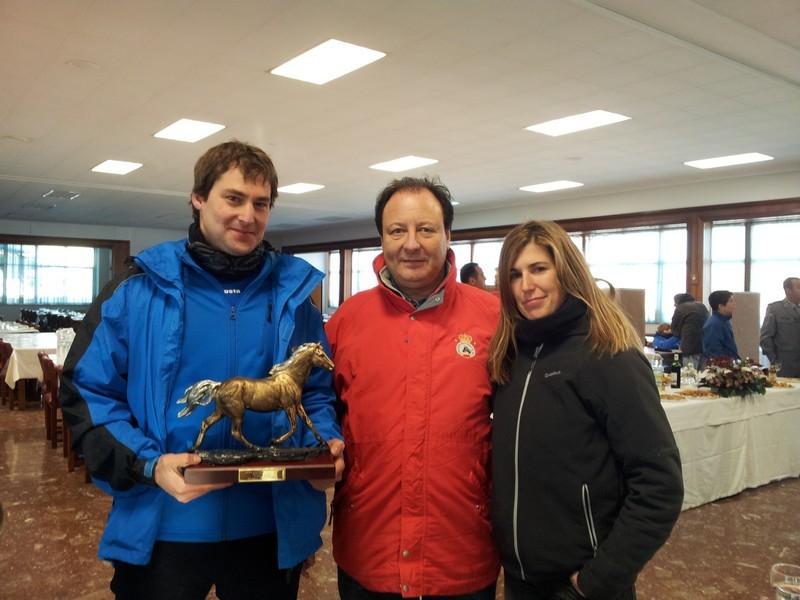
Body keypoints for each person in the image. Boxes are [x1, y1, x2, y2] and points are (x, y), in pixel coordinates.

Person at [60, 140, 344, 600]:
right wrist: (147, 464)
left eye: (261, 203)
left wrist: (321, 444)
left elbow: (315, 394)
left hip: (269, 532)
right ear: (198, 198)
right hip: (164, 527)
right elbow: (89, 393)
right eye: (233, 198)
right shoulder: (137, 288)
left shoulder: (294, 295)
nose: (247, 216)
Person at [488, 220, 683, 600]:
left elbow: (659, 483)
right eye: (514, 274)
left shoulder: (608, 356)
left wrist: (599, 579)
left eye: (539, 269)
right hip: (520, 578)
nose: (525, 285)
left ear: (567, 271)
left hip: (581, 586)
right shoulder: (512, 356)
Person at [325, 176, 501, 599]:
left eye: (425, 229)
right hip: (370, 546)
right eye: (397, 230)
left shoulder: (494, 318)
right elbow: (319, 411)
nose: (411, 243)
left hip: (461, 548)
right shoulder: (347, 321)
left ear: (447, 234)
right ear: (382, 237)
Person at [760, 277, 800, 377]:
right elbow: (765, 338)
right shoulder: (775, 309)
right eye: (799, 287)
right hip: (785, 366)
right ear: (788, 291)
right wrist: (774, 361)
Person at [670, 293, 708, 366]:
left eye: (675, 304)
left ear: (678, 301)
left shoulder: (680, 308)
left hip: (689, 347)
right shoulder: (702, 306)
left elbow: (674, 329)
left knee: (689, 374)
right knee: (702, 375)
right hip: (704, 346)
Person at [703, 290, 740, 362]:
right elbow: (714, 352)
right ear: (721, 306)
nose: (734, 304)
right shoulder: (714, 324)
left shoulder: (724, 320)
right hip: (721, 366)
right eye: (731, 301)